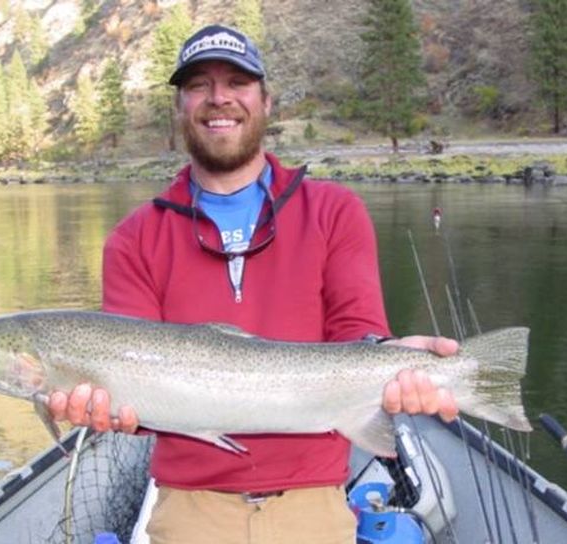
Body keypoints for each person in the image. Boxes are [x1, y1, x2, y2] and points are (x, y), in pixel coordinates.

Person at [49, 24, 458, 544]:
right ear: (180, 107)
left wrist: (400, 364)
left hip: (315, 506)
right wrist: (100, 407)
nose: (218, 98)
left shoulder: (335, 212)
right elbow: (139, 400)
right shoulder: (133, 240)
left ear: (266, 102)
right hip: (189, 511)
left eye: (237, 82)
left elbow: (360, 336)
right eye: (198, 84)